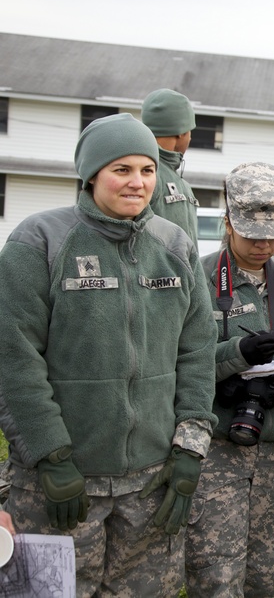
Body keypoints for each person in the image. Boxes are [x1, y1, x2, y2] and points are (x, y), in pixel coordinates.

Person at [0, 113, 217, 595]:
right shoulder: (40, 241)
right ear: (92, 174)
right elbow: (14, 358)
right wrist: (49, 456)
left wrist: (189, 447)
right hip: (63, 485)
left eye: (147, 169)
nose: (137, 183)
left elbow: (198, 350)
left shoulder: (175, 244)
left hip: (150, 483)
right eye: (122, 169)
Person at [185, 162, 274, 597]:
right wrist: (235, 355)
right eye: (252, 234)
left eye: (273, 235)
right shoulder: (198, 278)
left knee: (264, 570)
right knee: (214, 570)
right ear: (228, 223)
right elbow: (176, 361)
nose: (263, 244)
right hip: (216, 450)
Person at [142, 88, 201, 246]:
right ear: (181, 132)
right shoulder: (148, 174)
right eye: (190, 131)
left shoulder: (172, 177)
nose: (190, 137)